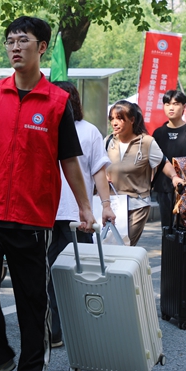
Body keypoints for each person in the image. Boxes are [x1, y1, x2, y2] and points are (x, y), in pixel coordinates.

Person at [0, 16, 96, 371]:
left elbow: (70, 161)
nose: (15, 47)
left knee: (32, 299)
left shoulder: (57, 102)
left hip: (33, 216)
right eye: (11, 41)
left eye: (24, 41)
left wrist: (84, 207)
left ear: (41, 47)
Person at [46, 81, 116, 349]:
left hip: (76, 217)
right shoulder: (43, 128)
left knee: (79, 275)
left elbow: (99, 170)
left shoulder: (88, 132)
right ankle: (54, 329)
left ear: (71, 101)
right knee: (47, 274)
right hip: (44, 214)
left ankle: (84, 328)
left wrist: (105, 205)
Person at [105, 100, 184, 247]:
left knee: (124, 246)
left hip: (137, 203)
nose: (115, 123)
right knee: (107, 246)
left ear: (132, 120)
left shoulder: (146, 142)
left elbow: (163, 162)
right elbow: (99, 166)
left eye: (120, 118)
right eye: (112, 119)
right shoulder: (108, 141)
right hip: (113, 203)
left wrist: (174, 177)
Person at [152, 90, 186, 229]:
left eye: (175, 104)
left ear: (184, 107)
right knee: (166, 228)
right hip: (163, 188)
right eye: (167, 104)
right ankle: (167, 252)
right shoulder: (158, 133)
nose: (171, 107)